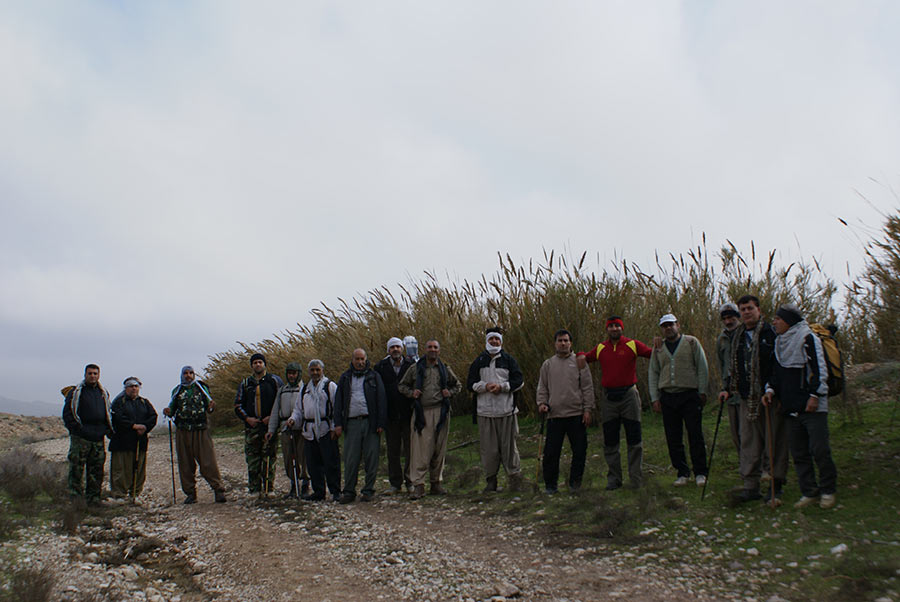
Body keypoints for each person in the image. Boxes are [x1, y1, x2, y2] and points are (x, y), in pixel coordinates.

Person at [763, 304, 838, 509]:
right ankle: (809, 491)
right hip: (790, 406)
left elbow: (820, 369)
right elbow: (777, 374)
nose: (775, 322)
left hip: (813, 406)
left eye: (778, 319)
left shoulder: (807, 338)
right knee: (799, 452)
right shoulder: (780, 342)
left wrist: (815, 395)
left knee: (819, 449)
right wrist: (770, 390)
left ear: (789, 321)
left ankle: (828, 490)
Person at [718, 294, 787, 504]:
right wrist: (728, 388)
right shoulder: (737, 336)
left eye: (750, 308)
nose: (747, 312)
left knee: (774, 440)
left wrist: (772, 388)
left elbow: (779, 364)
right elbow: (733, 366)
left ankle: (776, 484)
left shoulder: (771, 333)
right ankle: (750, 485)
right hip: (745, 397)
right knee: (748, 442)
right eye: (743, 309)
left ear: (759, 310)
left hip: (769, 396)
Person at [576, 316, 652, 490]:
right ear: (607, 330)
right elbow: (586, 357)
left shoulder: (633, 344)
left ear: (622, 328)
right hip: (609, 398)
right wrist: (580, 355)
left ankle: (636, 479)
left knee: (634, 438)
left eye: (617, 326)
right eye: (611, 327)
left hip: (629, 396)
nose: (614, 329)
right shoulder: (601, 348)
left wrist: (660, 346)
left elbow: (651, 354)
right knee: (610, 440)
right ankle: (614, 479)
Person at [649, 314, 710, 487]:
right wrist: (655, 398)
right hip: (668, 396)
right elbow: (653, 373)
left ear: (678, 325)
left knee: (695, 434)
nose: (668, 328)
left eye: (671, 324)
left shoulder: (691, 342)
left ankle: (700, 472)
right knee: (673, 437)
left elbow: (702, 367)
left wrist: (702, 390)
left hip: (689, 395)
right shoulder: (659, 348)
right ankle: (682, 472)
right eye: (665, 326)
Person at [399, 339, 462, 499]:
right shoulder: (415, 368)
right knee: (420, 450)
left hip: (441, 412)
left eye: (435, 347)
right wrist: (411, 393)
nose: (432, 350)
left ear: (439, 351)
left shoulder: (444, 368)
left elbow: (457, 385)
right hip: (422, 413)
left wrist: (450, 392)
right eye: (429, 347)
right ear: (425, 350)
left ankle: (436, 483)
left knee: (439, 449)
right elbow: (402, 385)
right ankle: (418, 484)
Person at [536, 329, 595, 494]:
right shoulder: (548, 364)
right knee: (551, 454)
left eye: (566, 340)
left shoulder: (579, 362)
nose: (563, 343)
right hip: (555, 415)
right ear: (555, 343)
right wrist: (542, 404)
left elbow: (587, 387)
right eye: (560, 341)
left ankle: (575, 484)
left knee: (579, 451)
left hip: (576, 415)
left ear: (571, 343)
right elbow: (542, 387)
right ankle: (550, 486)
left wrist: (587, 409)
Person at [467, 327, 525, 492]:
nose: (494, 342)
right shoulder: (478, 361)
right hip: (485, 412)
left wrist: (502, 387)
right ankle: (491, 481)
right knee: (489, 449)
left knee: (509, 448)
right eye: (491, 339)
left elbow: (519, 381)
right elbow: (470, 383)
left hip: (506, 410)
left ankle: (515, 480)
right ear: (487, 341)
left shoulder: (508, 360)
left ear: (501, 341)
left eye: (497, 339)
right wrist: (484, 386)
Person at [164, 366, 226, 504]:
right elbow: (172, 409)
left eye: (191, 373)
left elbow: (209, 407)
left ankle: (218, 490)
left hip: (201, 429)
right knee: (185, 463)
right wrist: (168, 411)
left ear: (194, 374)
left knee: (208, 461)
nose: (188, 376)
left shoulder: (202, 387)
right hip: (183, 430)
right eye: (185, 373)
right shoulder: (177, 390)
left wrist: (211, 407)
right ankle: (190, 493)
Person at [334, 349, 388, 503]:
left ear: (366, 359)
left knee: (372, 457)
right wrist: (338, 423)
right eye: (357, 359)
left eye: (362, 359)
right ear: (352, 360)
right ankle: (349, 491)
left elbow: (381, 400)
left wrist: (380, 423)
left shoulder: (374, 376)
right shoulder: (345, 378)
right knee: (351, 459)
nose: (359, 362)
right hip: (351, 423)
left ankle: (368, 490)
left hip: (370, 422)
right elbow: (338, 402)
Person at [290, 359, 341, 501]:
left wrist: (334, 427)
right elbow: (298, 410)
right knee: (313, 464)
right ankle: (319, 491)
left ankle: (335, 491)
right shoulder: (304, 389)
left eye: (317, 370)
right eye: (312, 370)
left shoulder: (330, 387)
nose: (315, 373)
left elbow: (337, 408)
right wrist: (293, 419)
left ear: (322, 370)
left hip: (326, 428)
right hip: (309, 430)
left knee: (331, 462)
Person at [62, 364, 113, 506]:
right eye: (90, 373)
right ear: (85, 374)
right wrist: (77, 430)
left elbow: (108, 413)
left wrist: (106, 430)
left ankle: (94, 499)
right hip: (81, 438)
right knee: (76, 469)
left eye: (95, 373)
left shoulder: (102, 393)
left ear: (99, 375)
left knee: (96, 470)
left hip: (98, 438)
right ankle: (75, 499)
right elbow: (68, 414)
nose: (93, 376)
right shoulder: (76, 392)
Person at [234, 353, 283, 495]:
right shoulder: (245, 383)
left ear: (264, 364)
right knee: (253, 459)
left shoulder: (274, 380)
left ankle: (269, 488)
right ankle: (254, 490)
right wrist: (247, 419)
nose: (257, 365)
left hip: (269, 427)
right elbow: (237, 405)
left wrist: (273, 418)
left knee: (269, 458)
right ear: (251, 365)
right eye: (255, 362)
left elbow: (281, 402)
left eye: (260, 362)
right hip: (252, 428)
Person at [374, 337, 415, 494]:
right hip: (390, 416)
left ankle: (410, 481)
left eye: (398, 347)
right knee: (393, 450)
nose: (395, 350)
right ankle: (395, 483)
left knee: (410, 450)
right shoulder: (381, 367)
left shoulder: (411, 365)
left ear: (402, 348)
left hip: (408, 414)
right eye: (392, 347)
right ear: (388, 350)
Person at [108, 377, 157, 499]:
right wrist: (133, 426)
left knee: (139, 468)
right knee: (121, 469)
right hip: (122, 442)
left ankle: (135, 492)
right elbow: (118, 419)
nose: (134, 388)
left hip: (139, 442)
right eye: (131, 386)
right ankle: (119, 494)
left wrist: (145, 427)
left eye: (136, 386)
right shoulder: (119, 402)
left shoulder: (144, 402)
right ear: (126, 388)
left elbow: (153, 416)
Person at [266, 362, 309, 499]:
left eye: (294, 373)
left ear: (299, 374)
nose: (291, 376)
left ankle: (305, 484)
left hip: (301, 428)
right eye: (289, 373)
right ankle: (293, 484)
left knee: (303, 457)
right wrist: (271, 429)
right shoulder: (282, 390)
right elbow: (275, 411)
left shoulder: (304, 389)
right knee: (288, 457)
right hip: (285, 427)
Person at [716, 302, 743, 457]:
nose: (728, 321)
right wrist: (723, 387)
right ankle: (744, 464)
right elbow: (721, 364)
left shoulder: (745, 333)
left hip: (747, 389)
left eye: (731, 317)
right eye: (725, 318)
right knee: (736, 431)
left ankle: (763, 466)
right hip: (730, 391)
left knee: (751, 431)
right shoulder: (721, 339)